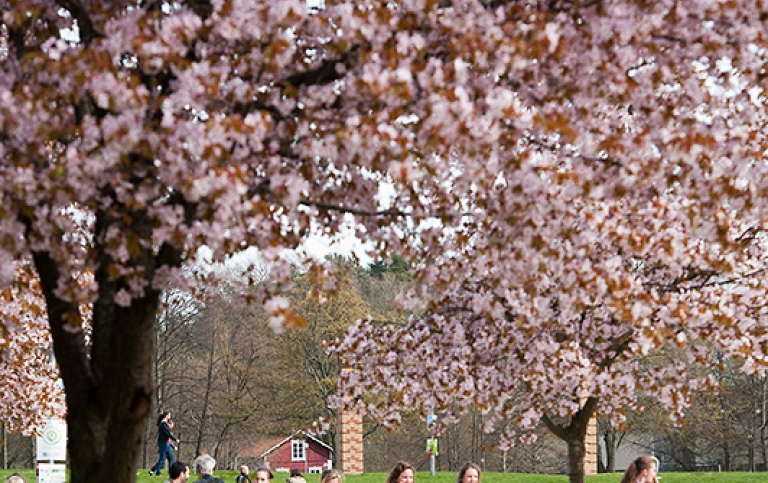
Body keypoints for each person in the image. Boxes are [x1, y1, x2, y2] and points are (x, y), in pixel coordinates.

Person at [150, 411, 179, 476]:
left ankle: (169, 472)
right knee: (162, 458)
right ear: (166, 416)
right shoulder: (163, 424)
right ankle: (157, 472)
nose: (170, 416)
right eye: (169, 415)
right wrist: (175, 439)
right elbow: (167, 434)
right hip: (164, 443)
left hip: (165, 444)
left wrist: (173, 445)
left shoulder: (164, 424)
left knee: (171, 457)